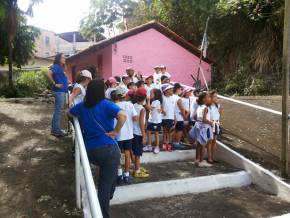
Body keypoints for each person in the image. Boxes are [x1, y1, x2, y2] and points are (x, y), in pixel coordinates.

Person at [69, 80, 126, 218]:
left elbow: (70, 113)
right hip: (108, 150)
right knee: (106, 186)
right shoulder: (107, 104)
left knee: (107, 180)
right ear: (102, 91)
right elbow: (123, 116)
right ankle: (103, 212)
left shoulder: (82, 106)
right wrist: (115, 131)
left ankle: (104, 201)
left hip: (89, 151)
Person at [114, 86, 138, 184]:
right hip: (128, 134)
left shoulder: (114, 105)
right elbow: (135, 117)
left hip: (118, 134)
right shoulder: (130, 105)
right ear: (125, 95)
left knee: (118, 154)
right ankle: (126, 175)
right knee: (127, 153)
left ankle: (119, 175)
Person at [189, 92, 213, 168]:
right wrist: (211, 123)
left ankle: (197, 160)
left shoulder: (200, 107)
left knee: (198, 145)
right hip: (203, 128)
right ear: (204, 99)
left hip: (198, 126)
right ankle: (202, 161)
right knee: (203, 145)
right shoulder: (205, 108)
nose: (210, 98)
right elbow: (204, 119)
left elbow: (195, 117)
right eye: (208, 97)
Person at [47, 53, 68, 137]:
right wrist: (55, 84)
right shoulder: (55, 66)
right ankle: (56, 130)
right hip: (59, 92)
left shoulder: (60, 67)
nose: (65, 58)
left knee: (57, 111)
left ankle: (54, 129)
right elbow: (48, 73)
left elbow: (61, 77)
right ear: (59, 58)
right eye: (63, 57)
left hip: (61, 91)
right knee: (58, 111)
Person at [133, 88, 149, 178]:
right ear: (144, 98)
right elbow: (141, 123)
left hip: (132, 132)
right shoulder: (142, 109)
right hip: (138, 133)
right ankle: (137, 170)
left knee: (134, 152)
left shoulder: (133, 105)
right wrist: (144, 135)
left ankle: (136, 167)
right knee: (138, 154)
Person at [146, 88, 163, 154]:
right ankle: (149, 146)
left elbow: (149, 108)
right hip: (152, 120)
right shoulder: (154, 102)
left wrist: (147, 100)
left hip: (156, 121)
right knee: (148, 132)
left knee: (156, 133)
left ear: (156, 94)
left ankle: (157, 146)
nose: (150, 94)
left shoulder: (156, 101)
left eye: (151, 93)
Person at [208, 90, 222, 163]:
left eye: (216, 96)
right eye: (214, 96)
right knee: (210, 141)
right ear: (210, 97)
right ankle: (209, 158)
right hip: (210, 124)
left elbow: (219, 115)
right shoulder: (207, 106)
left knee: (214, 141)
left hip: (216, 124)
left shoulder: (218, 106)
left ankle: (213, 157)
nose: (216, 98)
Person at [172, 83, 187, 150]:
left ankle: (174, 143)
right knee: (179, 130)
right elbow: (182, 109)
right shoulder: (178, 98)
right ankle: (177, 143)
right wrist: (184, 116)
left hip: (173, 116)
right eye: (181, 89)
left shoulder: (171, 96)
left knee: (175, 130)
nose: (181, 90)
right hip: (179, 117)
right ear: (177, 89)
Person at [161, 84, 175, 151]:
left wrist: (174, 118)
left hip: (171, 117)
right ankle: (164, 144)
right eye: (170, 89)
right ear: (165, 91)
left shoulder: (172, 98)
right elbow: (160, 106)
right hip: (164, 118)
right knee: (165, 131)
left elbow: (173, 109)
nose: (172, 90)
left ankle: (168, 143)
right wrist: (162, 110)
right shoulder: (163, 98)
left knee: (170, 131)